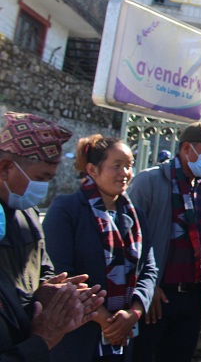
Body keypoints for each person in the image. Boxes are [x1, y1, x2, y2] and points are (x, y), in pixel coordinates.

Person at [0, 112, 106, 361]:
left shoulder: (27, 214)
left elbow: (41, 268)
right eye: (40, 178)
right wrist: (41, 340)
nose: (44, 188)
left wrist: (50, 292)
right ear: (5, 168)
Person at [43, 135, 158, 360]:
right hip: (77, 334)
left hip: (123, 334)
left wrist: (134, 312)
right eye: (117, 166)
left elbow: (149, 270)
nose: (125, 173)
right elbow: (61, 273)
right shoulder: (67, 211)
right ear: (92, 170)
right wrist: (104, 319)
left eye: (129, 166)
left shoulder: (135, 217)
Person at [127, 121, 201, 362]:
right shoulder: (149, 182)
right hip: (157, 295)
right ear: (187, 148)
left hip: (191, 296)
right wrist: (145, 288)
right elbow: (130, 240)